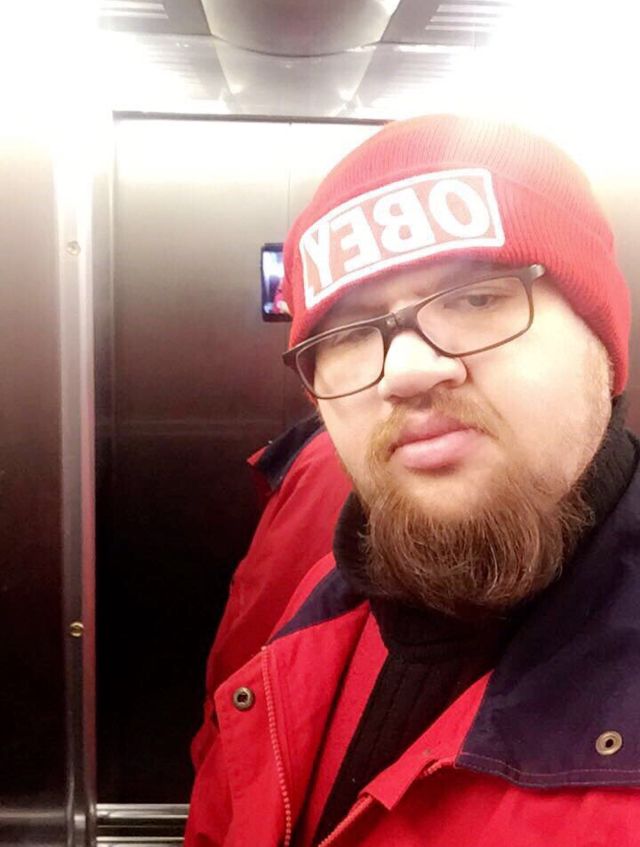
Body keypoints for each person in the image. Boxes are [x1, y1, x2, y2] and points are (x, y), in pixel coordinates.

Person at [185, 114, 640, 847]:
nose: (405, 370)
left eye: (477, 298)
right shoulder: (319, 609)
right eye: (347, 333)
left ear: (603, 343)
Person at [190, 413, 350, 770]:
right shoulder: (333, 453)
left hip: (273, 729)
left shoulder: (336, 461)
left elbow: (266, 627)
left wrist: (221, 737)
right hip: (268, 722)